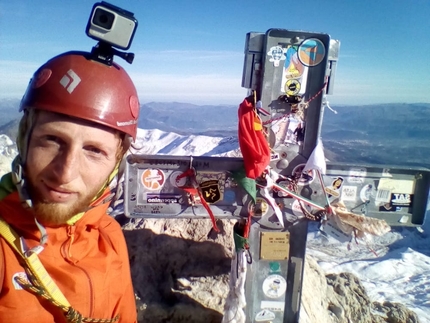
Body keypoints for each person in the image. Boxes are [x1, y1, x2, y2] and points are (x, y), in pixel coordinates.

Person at [0, 51, 139, 322]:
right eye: (51, 140)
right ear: (24, 139)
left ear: (116, 164)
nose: (65, 173)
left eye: (94, 151)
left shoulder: (108, 236)